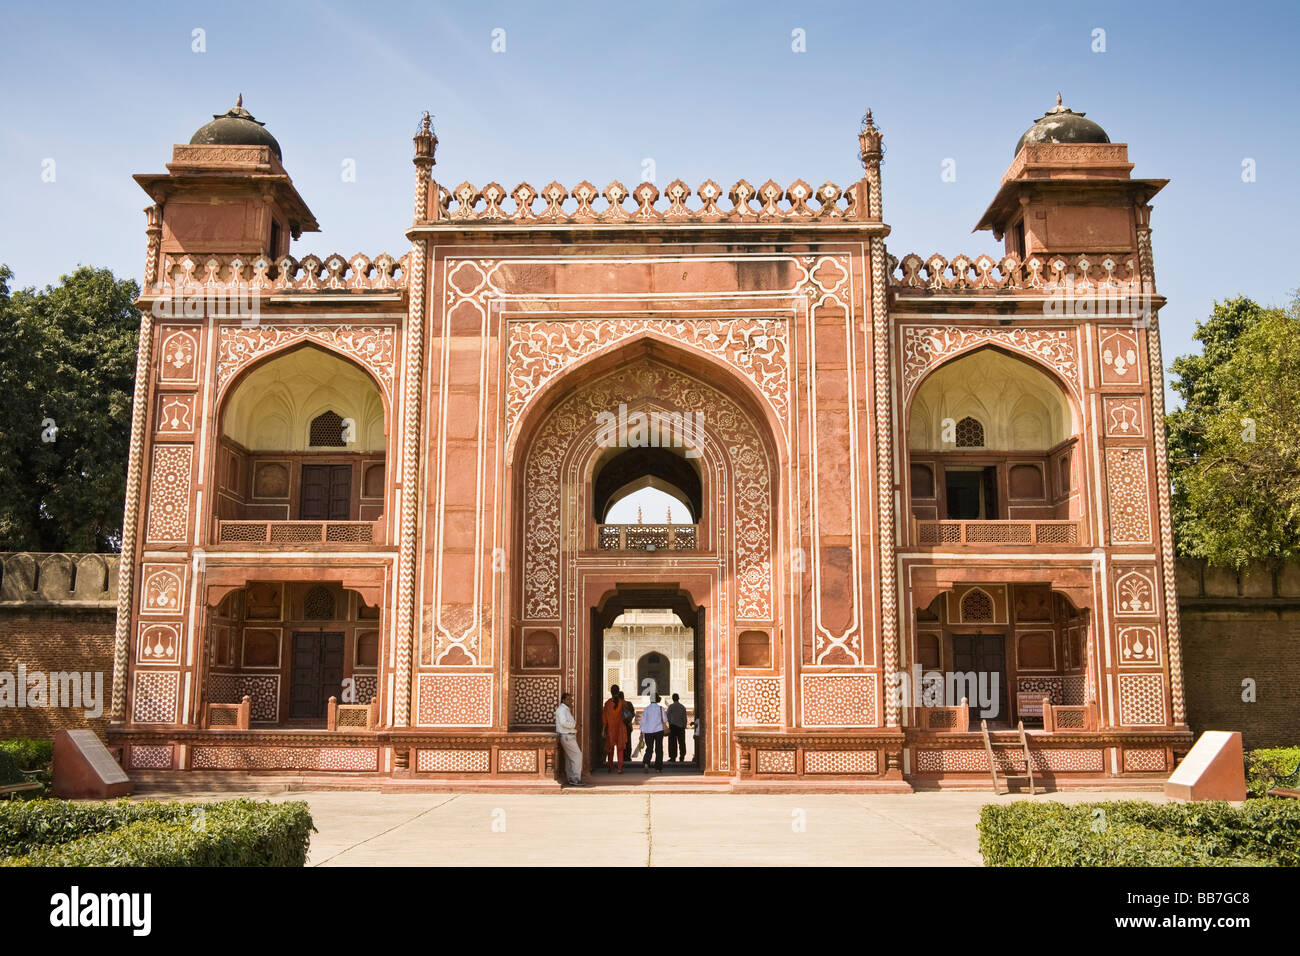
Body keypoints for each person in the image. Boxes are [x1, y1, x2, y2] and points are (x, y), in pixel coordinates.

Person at [555, 692, 584, 786]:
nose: (570, 701)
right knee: (577, 756)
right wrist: (574, 726)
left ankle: (571, 778)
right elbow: (563, 723)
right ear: (563, 700)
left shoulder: (565, 709)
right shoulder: (562, 710)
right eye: (568, 699)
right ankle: (575, 778)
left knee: (570, 758)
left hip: (567, 736)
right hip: (567, 736)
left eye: (571, 699)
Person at [602, 685, 628, 773]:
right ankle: (620, 768)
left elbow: (604, 718)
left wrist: (603, 730)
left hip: (610, 728)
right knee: (620, 749)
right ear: (618, 691)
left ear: (610, 692)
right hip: (620, 728)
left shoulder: (608, 703)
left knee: (610, 748)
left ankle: (610, 766)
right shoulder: (622, 703)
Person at [640, 693, 666, 772]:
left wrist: (641, 732)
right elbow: (665, 719)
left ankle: (646, 763)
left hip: (648, 731)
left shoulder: (646, 709)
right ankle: (658, 768)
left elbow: (643, 722)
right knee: (659, 749)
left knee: (649, 749)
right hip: (658, 730)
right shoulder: (661, 708)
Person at [666, 693, 688, 763]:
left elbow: (668, 716)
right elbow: (685, 717)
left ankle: (673, 757)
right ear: (678, 698)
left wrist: (669, 723)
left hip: (673, 726)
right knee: (681, 742)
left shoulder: (671, 706)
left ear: (673, 699)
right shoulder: (682, 707)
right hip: (681, 727)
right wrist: (684, 725)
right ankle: (682, 756)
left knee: (672, 743)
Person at [620, 691, 635, 759]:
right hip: (628, 725)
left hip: (619, 726)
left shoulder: (617, 704)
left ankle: (622, 756)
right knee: (628, 741)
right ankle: (628, 756)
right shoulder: (629, 704)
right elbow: (633, 714)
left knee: (620, 742)